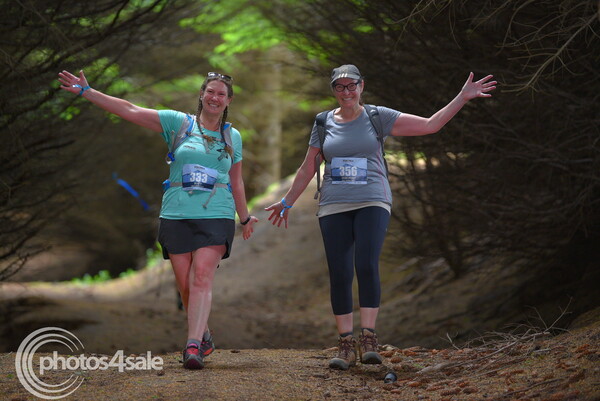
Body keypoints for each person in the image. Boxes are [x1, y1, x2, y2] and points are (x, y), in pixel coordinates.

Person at [265, 64, 495, 370]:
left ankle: (369, 338)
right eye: (340, 87)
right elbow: (309, 166)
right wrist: (287, 201)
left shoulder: (377, 116)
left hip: (373, 199)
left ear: (362, 86)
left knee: (366, 263)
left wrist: (462, 98)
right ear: (334, 90)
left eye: (351, 85)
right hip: (334, 204)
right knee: (340, 271)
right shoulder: (322, 122)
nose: (346, 92)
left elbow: (430, 125)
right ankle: (346, 344)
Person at [58, 69, 258, 370]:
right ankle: (203, 333)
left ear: (228, 100)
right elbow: (130, 110)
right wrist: (88, 92)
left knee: (201, 276)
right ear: (201, 94)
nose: (215, 98)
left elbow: (236, 180)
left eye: (221, 94)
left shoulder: (232, 136)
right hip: (176, 213)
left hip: (216, 213)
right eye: (210, 92)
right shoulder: (179, 124)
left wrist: (244, 217)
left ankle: (193, 346)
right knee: (185, 285)